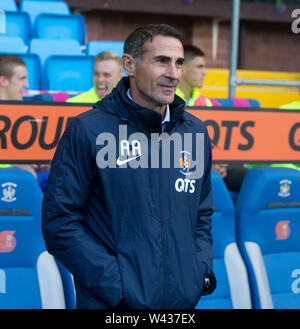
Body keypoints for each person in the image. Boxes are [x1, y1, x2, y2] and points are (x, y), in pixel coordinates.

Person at [42, 24, 216, 309]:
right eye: (161, 61)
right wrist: (119, 285)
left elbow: (202, 214)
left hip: (181, 304)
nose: (173, 73)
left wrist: (199, 273)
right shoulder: (88, 130)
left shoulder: (194, 132)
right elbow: (59, 223)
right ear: (129, 65)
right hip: (114, 305)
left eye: (179, 63)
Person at [176, 45, 247, 192]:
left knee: (255, 179)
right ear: (182, 69)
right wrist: (207, 164)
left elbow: (219, 143)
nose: (205, 72)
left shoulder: (207, 103)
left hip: (211, 162)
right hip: (180, 164)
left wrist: (220, 163)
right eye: (199, 67)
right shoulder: (166, 101)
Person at [0, 54, 41, 178]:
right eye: (22, 79)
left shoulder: (25, 113)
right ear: (3, 81)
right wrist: (15, 167)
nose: (26, 85)